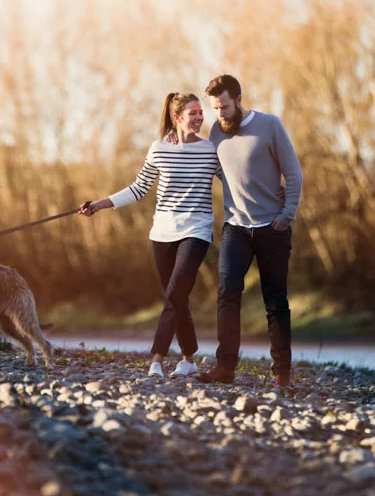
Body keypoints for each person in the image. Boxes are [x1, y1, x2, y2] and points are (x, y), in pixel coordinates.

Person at [80, 92, 221, 378]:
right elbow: (138, 188)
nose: (200, 118)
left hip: (197, 230)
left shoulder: (210, 150)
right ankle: (189, 359)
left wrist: (272, 190)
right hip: (162, 233)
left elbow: (234, 181)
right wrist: (98, 205)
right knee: (176, 297)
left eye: (201, 113)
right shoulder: (159, 149)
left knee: (174, 295)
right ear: (177, 117)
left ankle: (157, 359)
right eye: (193, 113)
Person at [197, 74, 302, 388]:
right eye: (215, 108)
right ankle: (225, 368)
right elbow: (221, 170)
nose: (220, 114)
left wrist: (286, 215)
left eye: (225, 107)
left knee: (275, 301)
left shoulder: (270, 125)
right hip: (236, 227)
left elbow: (293, 174)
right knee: (227, 294)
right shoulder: (216, 131)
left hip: (273, 227)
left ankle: (282, 373)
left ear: (239, 100)